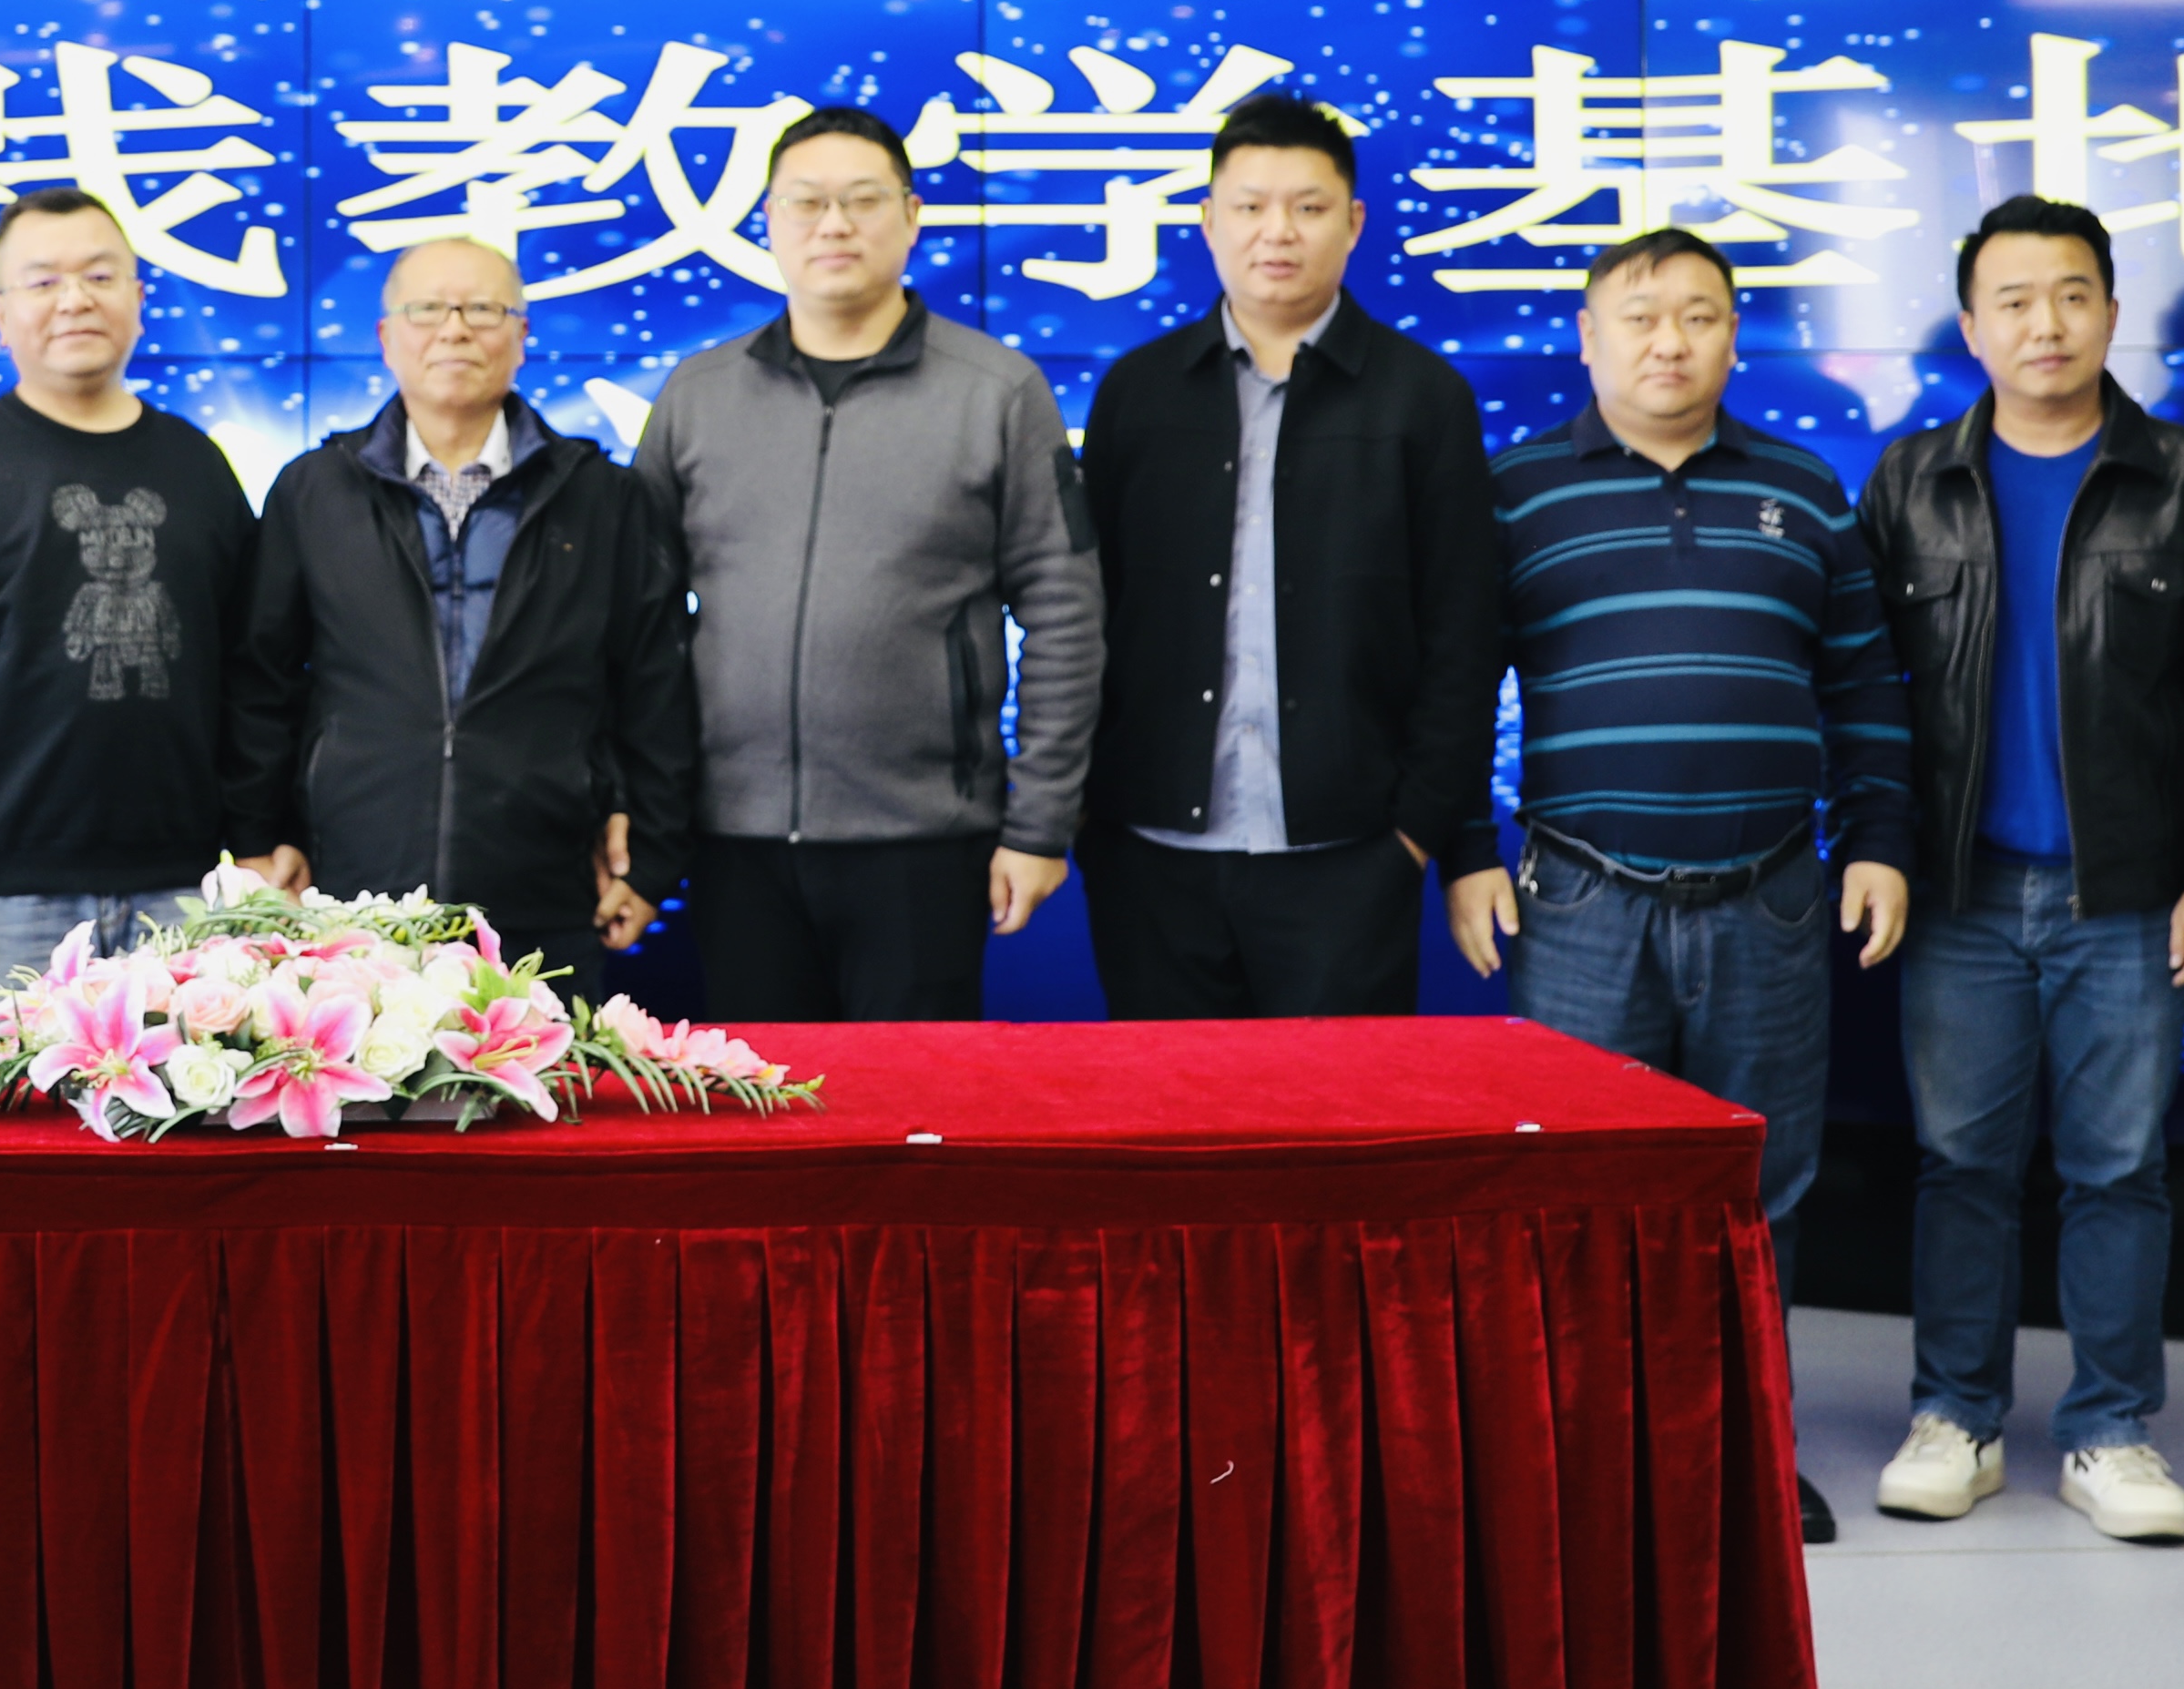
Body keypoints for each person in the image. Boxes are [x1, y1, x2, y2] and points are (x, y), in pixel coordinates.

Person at [1446, 227, 1914, 1541]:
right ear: (1588, 337)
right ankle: (1578, 1463)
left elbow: (1865, 686)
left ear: (1733, 336)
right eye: (1641, 317)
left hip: (1771, 893)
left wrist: (1881, 838)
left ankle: (1741, 1454)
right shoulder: (1516, 491)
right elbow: (1455, 687)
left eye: (1699, 316)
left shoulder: (1803, 488)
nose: (1670, 342)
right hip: (1582, 900)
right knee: (1577, 1192)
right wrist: (1467, 850)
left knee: (1758, 1190)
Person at [1855, 194, 2184, 1546]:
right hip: (1959, 891)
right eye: (2013, 299)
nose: (2043, 323)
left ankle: (2110, 1428)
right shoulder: (1910, 480)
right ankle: (1958, 1417)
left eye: (2070, 294)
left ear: (2109, 310)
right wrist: (1878, 849)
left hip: (2130, 895)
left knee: (2118, 1169)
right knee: (1959, 1165)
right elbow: (1863, 694)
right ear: (1971, 325)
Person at [632, 103, 1097, 1023]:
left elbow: (1066, 612)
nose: (834, 224)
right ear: (768, 221)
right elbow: (635, 617)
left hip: (925, 838)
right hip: (730, 837)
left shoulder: (997, 391)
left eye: (862, 199)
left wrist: (1042, 822)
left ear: (912, 216)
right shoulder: (698, 393)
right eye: (806, 202)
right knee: (757, 1099)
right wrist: (646, 818)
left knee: (914, 1100)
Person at [1072, 91, 1505, 1021]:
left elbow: (1466, 632)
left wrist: (1415, 830)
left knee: (1336, 1113)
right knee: (1167, 1108)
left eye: (1309, 207)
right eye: (1250, 206)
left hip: (1351, 854)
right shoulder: (1138, 392)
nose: (1278, 231)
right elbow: (1081, 611)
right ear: (1207, 221)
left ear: (1353, 223)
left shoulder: (1422, 396)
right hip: (1151, 850)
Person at [230, 235, 697, 966]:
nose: (454, 330)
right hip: (351, 890)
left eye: (482, 309)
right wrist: (260, 836)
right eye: (427, 310)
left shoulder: (600, 497)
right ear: (386, 338)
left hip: (550, 888)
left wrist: (655, 855)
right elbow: (263, 679)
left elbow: (655, 685)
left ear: (522, 335)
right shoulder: (315, 490)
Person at [0, 186, 259, 993]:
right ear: (1, 314)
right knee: (6, 1085)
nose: (75, 300)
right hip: (0, 899)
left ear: (139, 300)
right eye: (43, 282)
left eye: (100, 277)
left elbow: (253, 675)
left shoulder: (200, 468)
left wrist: (256, 840)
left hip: (189, 891)